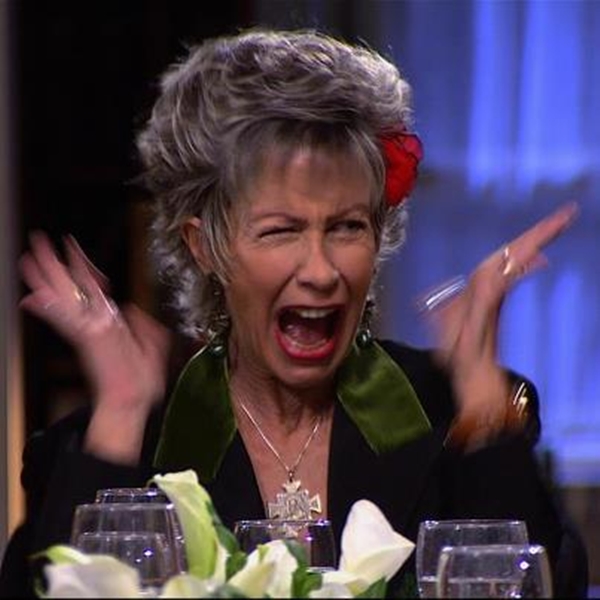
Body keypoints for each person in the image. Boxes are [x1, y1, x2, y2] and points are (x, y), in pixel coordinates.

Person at [0, 28, 588, 597]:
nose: (321, 270)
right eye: (281, 230)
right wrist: (121, 415)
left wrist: (480, 399)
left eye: (347, 227)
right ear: (205, 246)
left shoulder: (457, 415)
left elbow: (546, 585)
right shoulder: (124, 440)